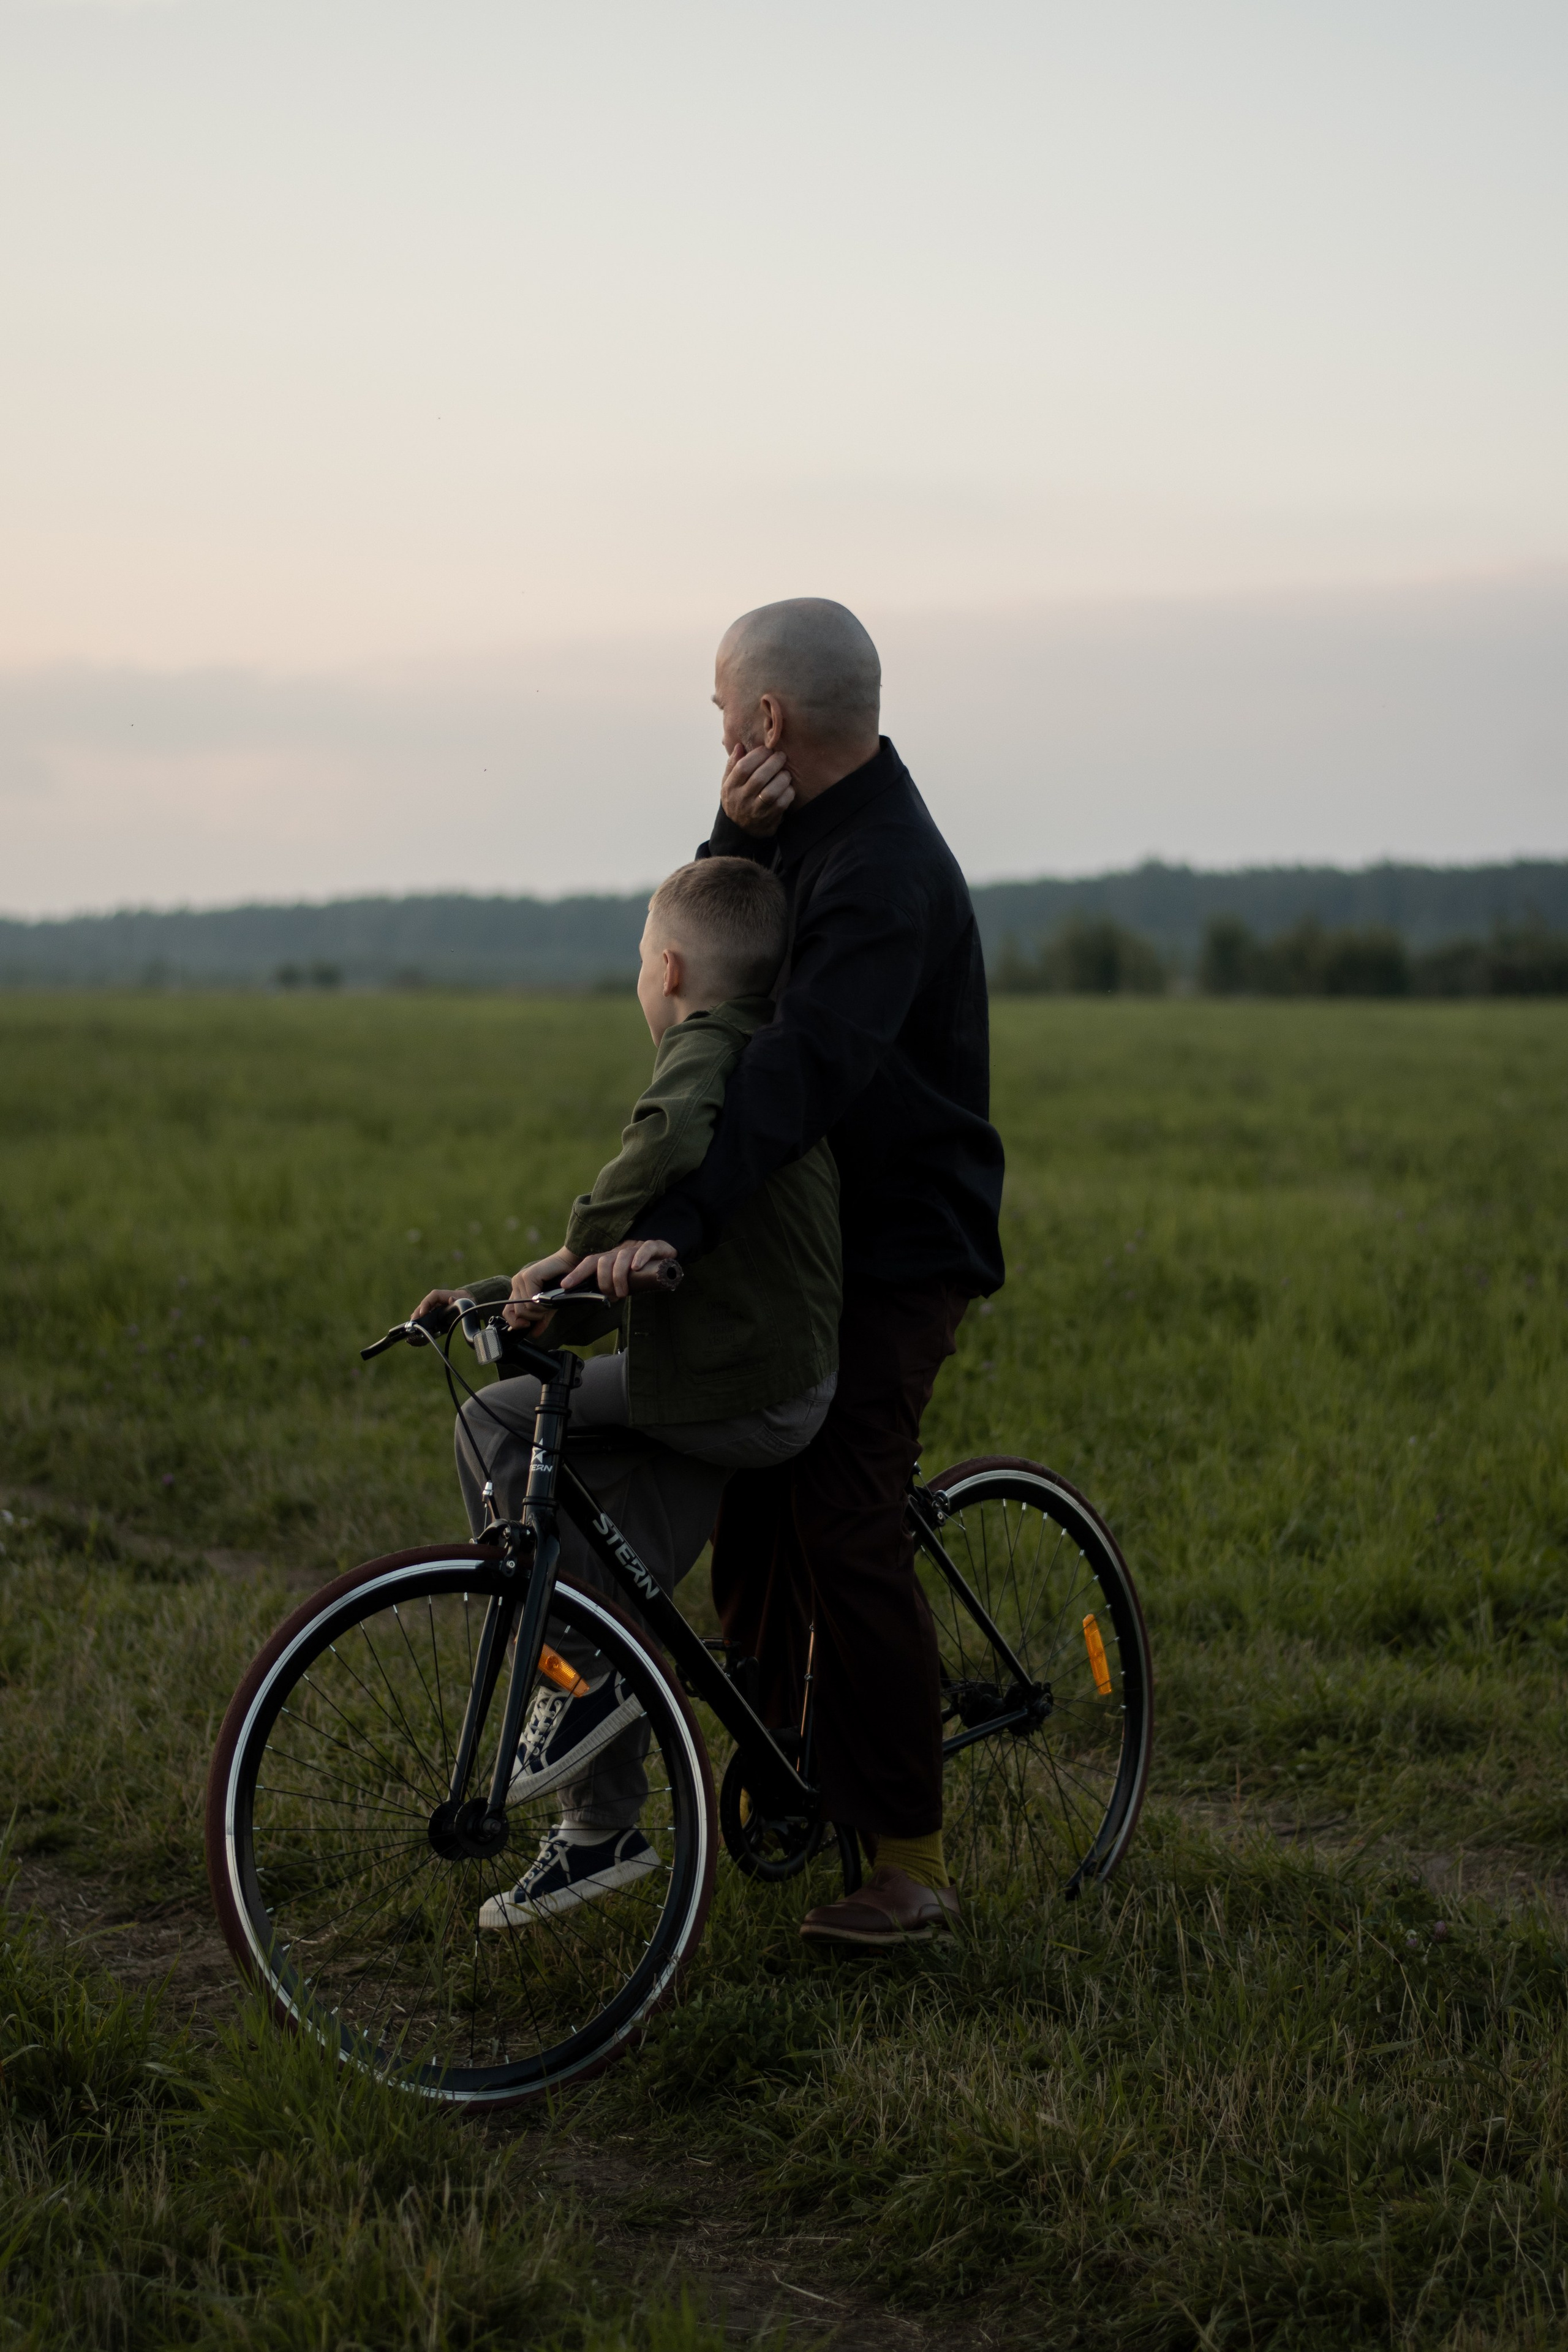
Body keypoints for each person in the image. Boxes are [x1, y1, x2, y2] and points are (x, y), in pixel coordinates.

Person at [570, 597, 1006, 1950]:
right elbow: (711, 972)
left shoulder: (879, 869)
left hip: (892, 1252)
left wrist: (679, 1229)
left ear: (766, 718)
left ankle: (911, 1864)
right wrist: (729, 833)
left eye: (720, 711)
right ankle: (781, 1776)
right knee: (750, 1516)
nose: (717, 732)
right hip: (803, 1236)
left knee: (839, 1509)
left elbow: (791, 1068)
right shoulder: (798, 835)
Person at [410, 856, 840, 1926]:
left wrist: (567, 1249)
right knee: (594, 1548)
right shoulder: (760, 1057)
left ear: (673, 970)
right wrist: (496, 1296)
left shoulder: (707, 1052)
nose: (638, 980)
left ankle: (596, 1694)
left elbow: (662, 1148)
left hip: (740, 1388)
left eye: (640, 962)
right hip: (723, 1382)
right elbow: (646, 1262)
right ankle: (600, 1818)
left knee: (495, 1421)